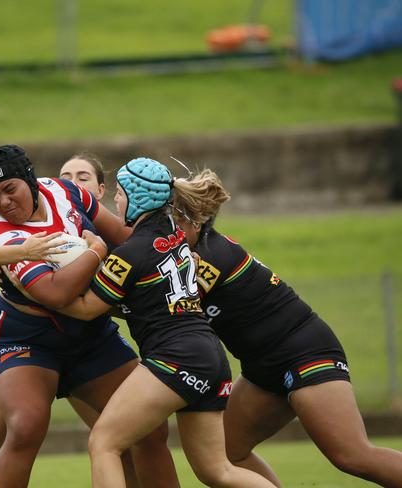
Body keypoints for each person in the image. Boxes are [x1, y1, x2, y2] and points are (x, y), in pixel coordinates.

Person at [0, 145, 178, 488]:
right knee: (23, 429)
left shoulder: (63, 190)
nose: (4, 202)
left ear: (30, 180)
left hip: (89, 335)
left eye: (10, 189)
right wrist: (96, 251)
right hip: (26, 340)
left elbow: (124, 237)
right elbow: (57, 293)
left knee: (149, 427)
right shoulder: (7, 237)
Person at [170, 168, 402, 488]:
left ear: (193, 222)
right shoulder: (190, 254)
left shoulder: (209, 257)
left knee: (352, 456)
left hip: (304, 353)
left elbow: (154, 303)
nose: (163, 236)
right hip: (262, 369)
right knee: (225, 454)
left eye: (170, 225)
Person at [58, 157, 276, 488]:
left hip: (175, 356)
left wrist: (33, 286)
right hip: (210, 357)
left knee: (104, 442)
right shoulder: (176, 236)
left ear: (137, 197)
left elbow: (88, 308)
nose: (115, 201)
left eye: (119, 193)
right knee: (218, 471)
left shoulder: (130, 254)